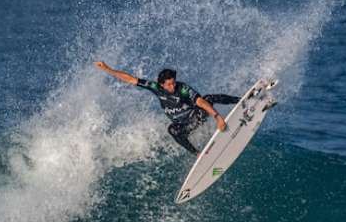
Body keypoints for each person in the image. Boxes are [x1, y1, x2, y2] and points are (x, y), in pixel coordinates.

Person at [93, 61, 240, 155]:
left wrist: (218, 117)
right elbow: (131, 79)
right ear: (161, 84)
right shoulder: (155, 87)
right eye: (169, 84)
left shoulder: (182, 89)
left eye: (173, 83)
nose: (173, 86)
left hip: (197, 117)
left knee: (209, 98)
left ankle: (240, 100)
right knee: (172, 130)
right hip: (185, 125)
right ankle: (197, 154)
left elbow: (200, 101)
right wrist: (108, 69)